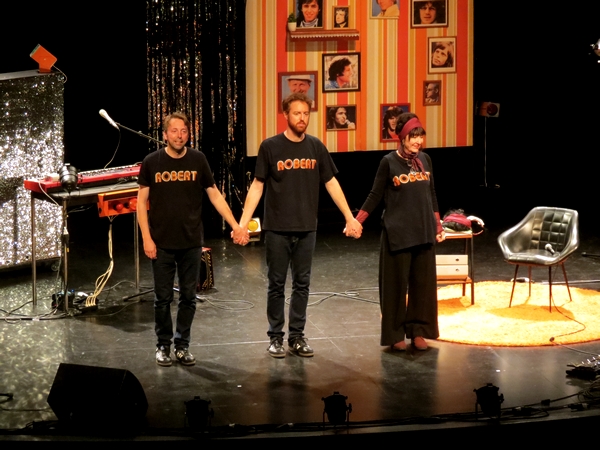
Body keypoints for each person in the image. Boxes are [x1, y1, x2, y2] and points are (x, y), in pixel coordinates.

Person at [239, 93, 362, 358]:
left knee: (302, 285)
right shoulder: (270, 147)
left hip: (307, 228)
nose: (302, 118)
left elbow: (331, 183)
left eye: (306, 114)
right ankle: (275, 337)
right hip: (277, 228)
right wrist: (242, 224)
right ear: (286, 115)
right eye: (297, 113)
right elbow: (257, 186)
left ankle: (296, 337)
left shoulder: (315, 147)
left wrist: (349, 217)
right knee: (276, 284)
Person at [137, 112, 248, 367]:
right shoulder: (152, 162)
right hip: (161, 243)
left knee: (188, 297)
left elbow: (215, 195)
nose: (179, 136)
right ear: (164, 135)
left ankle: (182, 345)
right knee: (162, 299)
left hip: (190, 242)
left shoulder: (198, 160)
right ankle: (163, 346)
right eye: (174, 131)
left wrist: (235, 225)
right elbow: (142, 203)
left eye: (184, 131)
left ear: (189, 133)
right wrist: (147, 238)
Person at [355, 113, 445, 352]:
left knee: (422, 287)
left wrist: (438, 225)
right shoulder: (388, 162)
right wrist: (357, 221)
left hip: (423, 231)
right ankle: (395, 333)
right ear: (402, 137)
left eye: (420, 136)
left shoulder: (425, 160)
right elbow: (375, 195)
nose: (418, 141)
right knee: (395, 287)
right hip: (398, 233)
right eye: (413, 136)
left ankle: (418, 331)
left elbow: (432, 194)